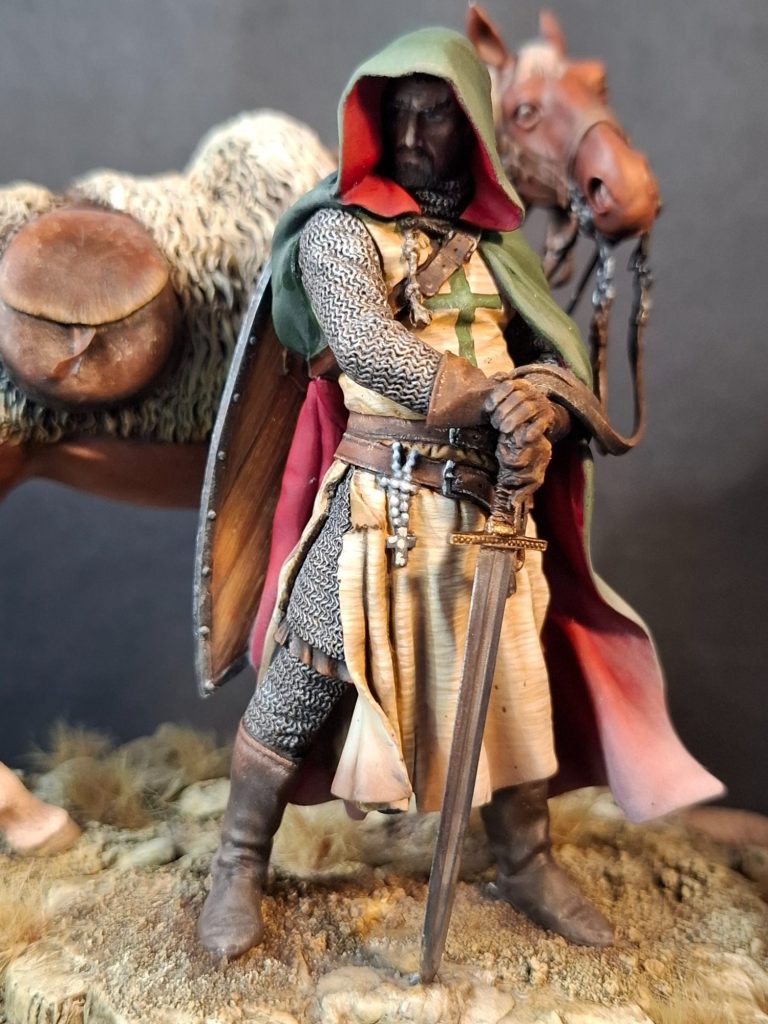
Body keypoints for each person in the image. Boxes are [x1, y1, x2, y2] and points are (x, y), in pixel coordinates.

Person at [198, 27, 722, 960]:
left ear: (471, 126)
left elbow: (552, 366)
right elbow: (366, 347)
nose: (411, 135)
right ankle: (237, 861)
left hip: (486, 508)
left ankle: (525, 860)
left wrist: (540, 406)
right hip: (376, 507)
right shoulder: (337, 231)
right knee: (302, 680)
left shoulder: (497, 250)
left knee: (516, 689)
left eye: (433, 116)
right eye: (397, 115)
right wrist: (487, 397)